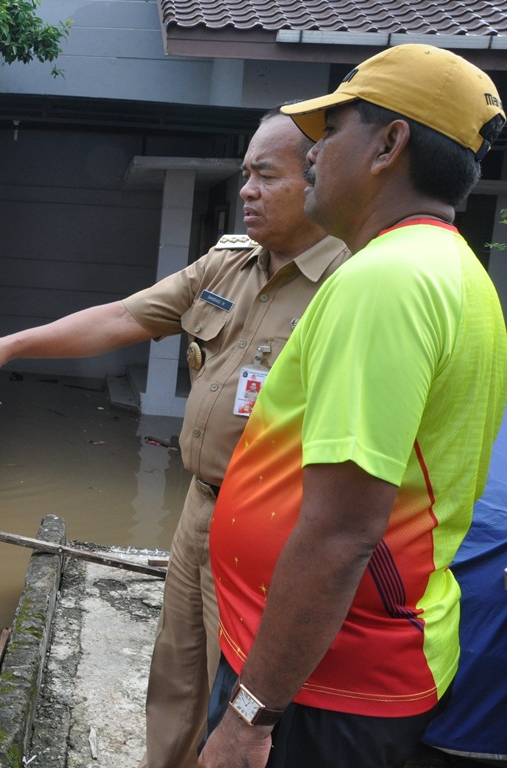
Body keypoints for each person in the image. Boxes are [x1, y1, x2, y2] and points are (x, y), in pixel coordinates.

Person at [0, 110, 350, 768]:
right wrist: (6, 346)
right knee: (173, 681)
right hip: (199, 511)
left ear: (316, 180)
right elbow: (123, 315)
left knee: (237, 702)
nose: (246, 191)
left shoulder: (350, 288)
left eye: (266, 174)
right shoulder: (226, 266)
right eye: (244, 175)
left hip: (272, 531)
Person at [199, 44, 507, 768]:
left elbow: (342, 533)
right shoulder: (450, 268)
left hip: (320, 689)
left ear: (389, 144)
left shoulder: (389, 281)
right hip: (326, 672)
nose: (312, 156)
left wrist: (249, 716)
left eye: (331, 132)